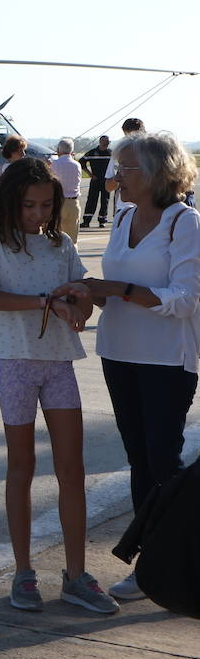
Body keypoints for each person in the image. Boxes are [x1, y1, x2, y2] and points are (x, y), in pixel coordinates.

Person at [55, 130, 199, 602]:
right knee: (140, 462)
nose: (116, 178)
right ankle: (149, 563)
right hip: (118, 354)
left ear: (158, 172)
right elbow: (115, 285)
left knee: (163, 462)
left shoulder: (185, 223)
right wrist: (85, 299)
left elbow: (185, 300)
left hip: (165, 360)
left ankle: (174, 562)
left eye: (126, 169)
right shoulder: (122, 217)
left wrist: (112, 290)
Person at [0, 159, 117, 614]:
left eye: (46, 205)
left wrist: (78, 304)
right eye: (29, 205)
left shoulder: (61, 243)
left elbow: (83, 306)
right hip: (15, 363)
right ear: (12, 201)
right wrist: (45, 302)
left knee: (72, 468)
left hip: (58, 364)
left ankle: (76, 574)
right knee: (22, 466)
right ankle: (23, 572)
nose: (37, 213)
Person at [50, 138, 83, 244]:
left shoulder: (54, 164)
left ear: (59, 150)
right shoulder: (77, 165)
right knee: (72, 239)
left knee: (56, 235)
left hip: (58, 202)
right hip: (73, 202)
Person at [81, 135, 112, 228]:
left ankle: (102, 220)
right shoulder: (92, 152)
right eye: (104, 141)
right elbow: (82, 162)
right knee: (91, 199)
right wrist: (90, 174)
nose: (105, 143)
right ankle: (86, 220)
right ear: (100, 142)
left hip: (106, 180)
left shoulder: (111, 153)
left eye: (107, 142)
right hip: (95, 180)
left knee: (105, 200)